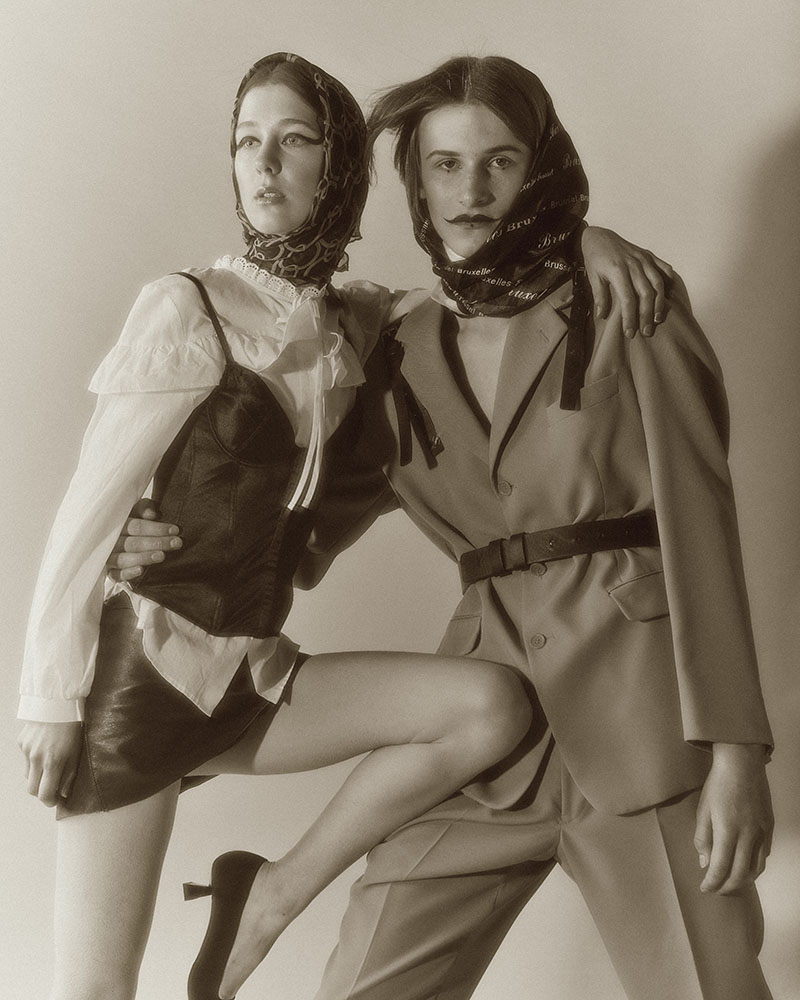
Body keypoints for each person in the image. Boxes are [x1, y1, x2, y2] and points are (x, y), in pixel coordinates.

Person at [114, 55, 776, 999]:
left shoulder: (629, 305)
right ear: (415, 184)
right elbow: (291, 524)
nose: (472, 191)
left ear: (541, 168)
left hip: (645, 726)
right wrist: (148, 537)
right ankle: (268, 898)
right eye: (444, 165)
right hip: (488, 724)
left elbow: (704, 528)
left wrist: (738, 752)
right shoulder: (394, 350)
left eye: (501, 161)